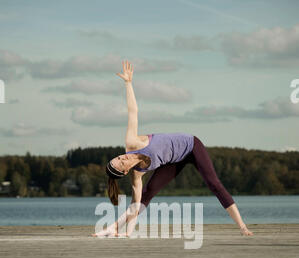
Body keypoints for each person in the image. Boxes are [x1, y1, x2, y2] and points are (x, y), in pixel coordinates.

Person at [92, 60, 253, 238]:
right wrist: (129, 233)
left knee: (214, 184)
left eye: (118, 157)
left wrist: (128, 84)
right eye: (121, 163)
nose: (123, 158)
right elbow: (136, 204)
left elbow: (133, 111)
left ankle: (242, 227)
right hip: (174, 160)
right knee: (147, 192)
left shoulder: (131, 142)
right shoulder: (136, 175)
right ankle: (116, 228)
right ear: (125, 171)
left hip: (191, 146)